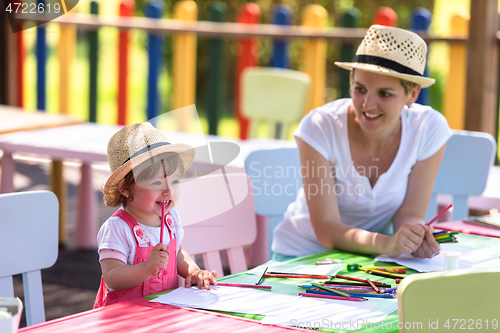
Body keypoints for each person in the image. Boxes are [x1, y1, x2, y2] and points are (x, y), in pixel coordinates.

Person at [272, 25, 452, 261]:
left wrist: (415, 237)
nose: (367, 104)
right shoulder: (319, 126)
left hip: (372, 259)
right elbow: (327, 229)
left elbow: (409, 213)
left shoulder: (428, 129)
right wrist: (388, 243)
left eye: (384, 94)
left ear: (412, 94)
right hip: (303, 257)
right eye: (360, 89)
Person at [94, 122, 217, 308]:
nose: (168, 191)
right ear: (125, 188)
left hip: (163, 312)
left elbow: (177, 254)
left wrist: (193, 271)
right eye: (157, 183)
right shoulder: (117, 228)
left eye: (175, 181)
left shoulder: (171, 218)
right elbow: (112, 276)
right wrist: (146, 268)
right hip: (124, 318)